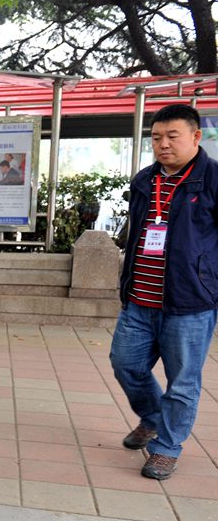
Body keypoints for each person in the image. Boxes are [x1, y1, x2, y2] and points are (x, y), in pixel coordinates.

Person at [110, 104, 218, 481]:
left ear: (195, 137)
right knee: (126, 364)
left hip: (188, 304)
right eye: (156, 138)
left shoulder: (213, 180)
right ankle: (154, 419)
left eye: (173, 137)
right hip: (140, 300)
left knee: (183, 381)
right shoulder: (144, 181)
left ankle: (166, 448)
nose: (163, 145)